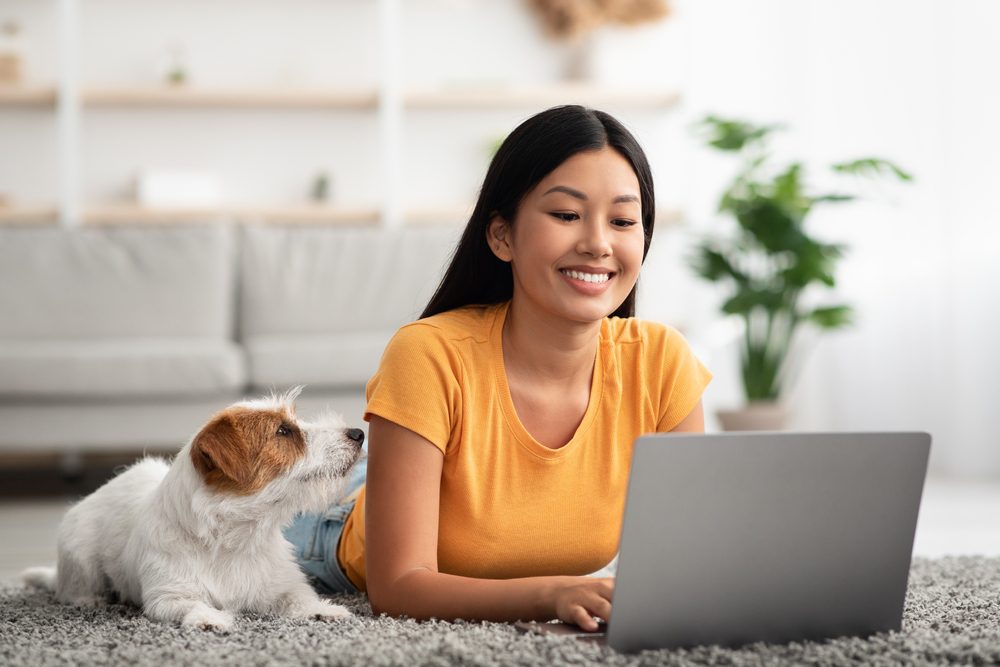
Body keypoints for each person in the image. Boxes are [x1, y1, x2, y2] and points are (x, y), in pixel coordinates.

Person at [283, 105, 711, 631]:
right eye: (567, 215)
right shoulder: (429, 354)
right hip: (332, 521)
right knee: (187, 526)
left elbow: (690, 566)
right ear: (502, 236)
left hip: (431, 473)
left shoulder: (663, 361)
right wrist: (552, 595)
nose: (599, 243)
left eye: (623, 220)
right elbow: (396, 586)